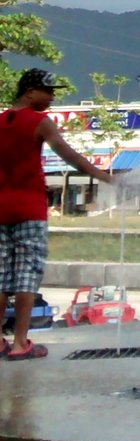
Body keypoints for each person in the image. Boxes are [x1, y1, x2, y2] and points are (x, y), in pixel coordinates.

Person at [1, 69, 114, 360]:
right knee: (26, 276)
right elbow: (71, 157)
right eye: (47, 91)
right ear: (29, 92)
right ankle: (19, 344)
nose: (52, 97)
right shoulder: (40, 122)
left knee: (1, 277)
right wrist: (105, 177)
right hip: (29, 209)